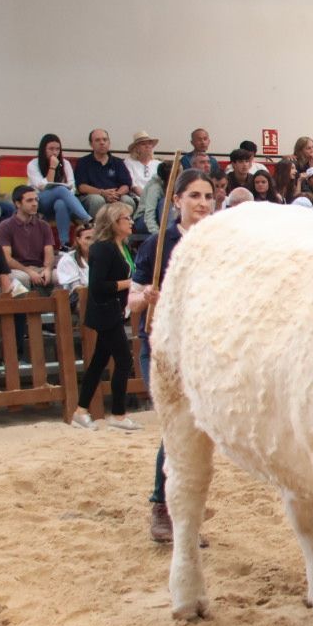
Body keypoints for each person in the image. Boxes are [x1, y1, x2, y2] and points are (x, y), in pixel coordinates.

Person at [132, 170, 215, 544]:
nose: (201, 203)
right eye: (194, 195)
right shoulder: (158, 244)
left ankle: (186, 514)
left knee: (202, 431)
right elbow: (130, 302)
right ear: (177, 199)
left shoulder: (218, 244)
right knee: (178, 429)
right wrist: (146, 295)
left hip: (204, 347)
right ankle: (161, 506)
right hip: (163, 347)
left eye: (208, 196)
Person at [72, 202, 140, 431]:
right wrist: (130, 284)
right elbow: (99, 286)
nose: (131, 222)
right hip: (105, 311)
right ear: (113, 222)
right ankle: (118, 415)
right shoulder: (102, 248)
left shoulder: (123, 246)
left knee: (99, 362)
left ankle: (80, 411)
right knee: (123, 360)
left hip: (116, 310)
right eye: (125, 218)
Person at [27, 134, 91, 247]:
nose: (55, 152)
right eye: (51, 149)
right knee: (61, 190)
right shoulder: (33, 164)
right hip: (40, 202)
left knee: (61, 203)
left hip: (59, 204)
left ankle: (64, 244)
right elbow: (42, 186)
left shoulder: (65, 163)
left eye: (57, 149)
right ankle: (87, 219)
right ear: (43, 150)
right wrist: (52, 167)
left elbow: (72, 187)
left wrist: (65, 191)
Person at [0, 185, 58, 293]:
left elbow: (49, 252)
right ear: (17, 203)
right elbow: (6, 259)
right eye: (29, 200)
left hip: (40, 267)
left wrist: (48, 269)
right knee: (23, 278)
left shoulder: (44, 225)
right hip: (18, 269)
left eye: (36, 200)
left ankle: (61, 309)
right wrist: (29, 271)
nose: (35, 203)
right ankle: (26, 310)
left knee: (59, 276)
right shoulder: (5, 226)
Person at [74, 128, 136, 218]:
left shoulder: (118, 162)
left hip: (116, 195)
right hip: (92, 196)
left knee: (127, 201)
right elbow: (82, 187)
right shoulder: (83, 162)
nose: (102, 143)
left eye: (105, 139)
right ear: (91, 144)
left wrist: (117, 195)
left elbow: (126, 184)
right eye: (97, 140)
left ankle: (123, 229)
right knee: (97, 200)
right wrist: (102, 193)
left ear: (109, 142)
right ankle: (96, 229)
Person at [55, 224, 93, 294]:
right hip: (77, 300)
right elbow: (76, 287)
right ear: (78, 240)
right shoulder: (68, 259)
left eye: (95, 238)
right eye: (88, 238)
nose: (92, 242)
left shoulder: (103, 257)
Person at [139, 159, 174, 233]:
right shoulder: (155, 188)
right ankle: (170, 234)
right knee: (164, 202)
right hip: (143, 221)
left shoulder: (175, 186)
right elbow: (149, 215)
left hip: (158, 219)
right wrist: (157, 236)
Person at [122, 132, 160, 199]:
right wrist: (147, 198)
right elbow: (133, 184)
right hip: (137, 197)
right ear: (136, 148)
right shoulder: (129, 162)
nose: (147, 146)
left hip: (155, 197)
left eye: (149, 143)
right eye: (143, 144)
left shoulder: (158, 164)